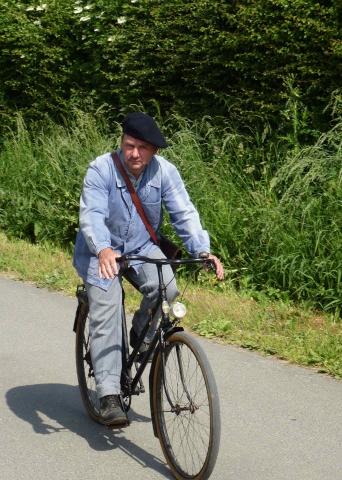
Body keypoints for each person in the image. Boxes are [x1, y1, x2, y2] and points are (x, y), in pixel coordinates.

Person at [73, 112, 224, 426]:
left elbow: (184, 213)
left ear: (154, 150)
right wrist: (102, 249)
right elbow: (92, 215)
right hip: (99, 252)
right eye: (129, 145)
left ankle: (142, 340)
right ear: (122, 142)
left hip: (141, 248)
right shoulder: (101, 169)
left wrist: (203, 250)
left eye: (142, 148)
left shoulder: (165, 173)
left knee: (167, 289)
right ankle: (109, 395)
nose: (134, 153)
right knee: (108, 310)